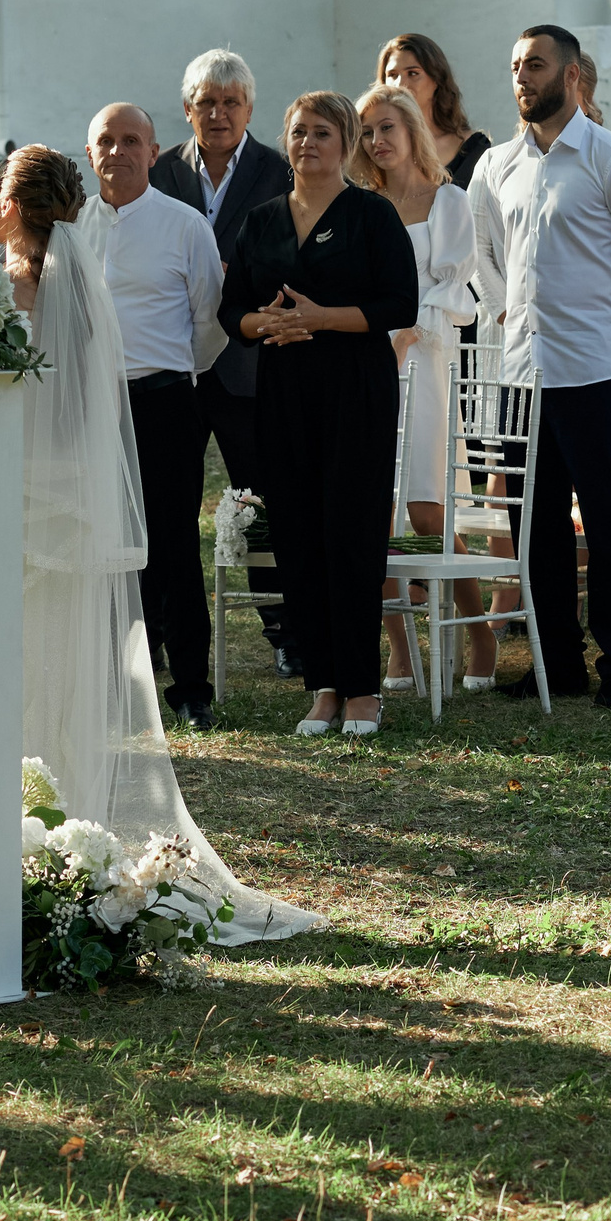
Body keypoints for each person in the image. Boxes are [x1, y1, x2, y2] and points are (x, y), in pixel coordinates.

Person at [0, 144, 321, 945]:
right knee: (64, 663)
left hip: (18, 500)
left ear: (15, 208)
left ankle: (20, 827)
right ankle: (64, 825)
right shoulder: (86, 288)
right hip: (69, 496)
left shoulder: (6, 290)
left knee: (22, 667)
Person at [470, 25, 611, 709]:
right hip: (524, 374)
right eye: (514, 65)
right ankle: (552, 660)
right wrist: (509, 314)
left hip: (594, 369)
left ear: (570, 76)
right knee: (535, 528)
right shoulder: (497, 165)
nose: (521, 77)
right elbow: (488, 255)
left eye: (534, 64)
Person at [217, 92, 417, 738]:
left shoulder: (371, 215)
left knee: (351, 536)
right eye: (298, 132)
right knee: (299, 537)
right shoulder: (263, 220)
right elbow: (231, 312)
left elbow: (398, 303)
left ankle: (363, 688)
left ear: (348, 142)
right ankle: (324, 687)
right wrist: (266, 321)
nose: (307, 143)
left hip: (355, 390)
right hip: (283, 392)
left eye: (322, 132)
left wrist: (319, 318)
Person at [152, 49, 299, 676]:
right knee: (169, 503)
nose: (218, 113)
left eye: (230, 102)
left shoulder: (278, 170)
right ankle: (159, 632)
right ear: (188, 110)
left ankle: (285, 631)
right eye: (206, 102)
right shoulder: (161, 171)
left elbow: (295, 249)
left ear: (248, 109)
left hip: (248, 363)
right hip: (175, 364)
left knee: (262, 500)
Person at [83, 102, 228, 730]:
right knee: (103, 545)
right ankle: (115, 681)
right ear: (90, 153)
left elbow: (210, 324)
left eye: (131, 140)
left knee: (172, 544)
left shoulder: (185, 224)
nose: (117, 151)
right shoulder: (70, 226)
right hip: (90, 404)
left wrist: (164, 371)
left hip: (165, 401)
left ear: (153, 150)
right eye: (106, 141)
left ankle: (192, 686)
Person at [355, 81, 497, 690]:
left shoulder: (448, 201)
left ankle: (480, 630)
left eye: (388, 127)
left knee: (426, 508)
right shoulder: (359, 203)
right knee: (373, 513)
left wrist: (408, 332)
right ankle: (401, 649)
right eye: (367, 131)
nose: (377, 140)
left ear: (412, 128)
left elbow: (454, 289)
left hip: (423, 359)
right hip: (364, 362)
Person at [378, 34, 495, 187]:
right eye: (392, 75)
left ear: (437, 80)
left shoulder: (473, 147)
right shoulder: (376, 146)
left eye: (413, 73)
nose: (400, 84)